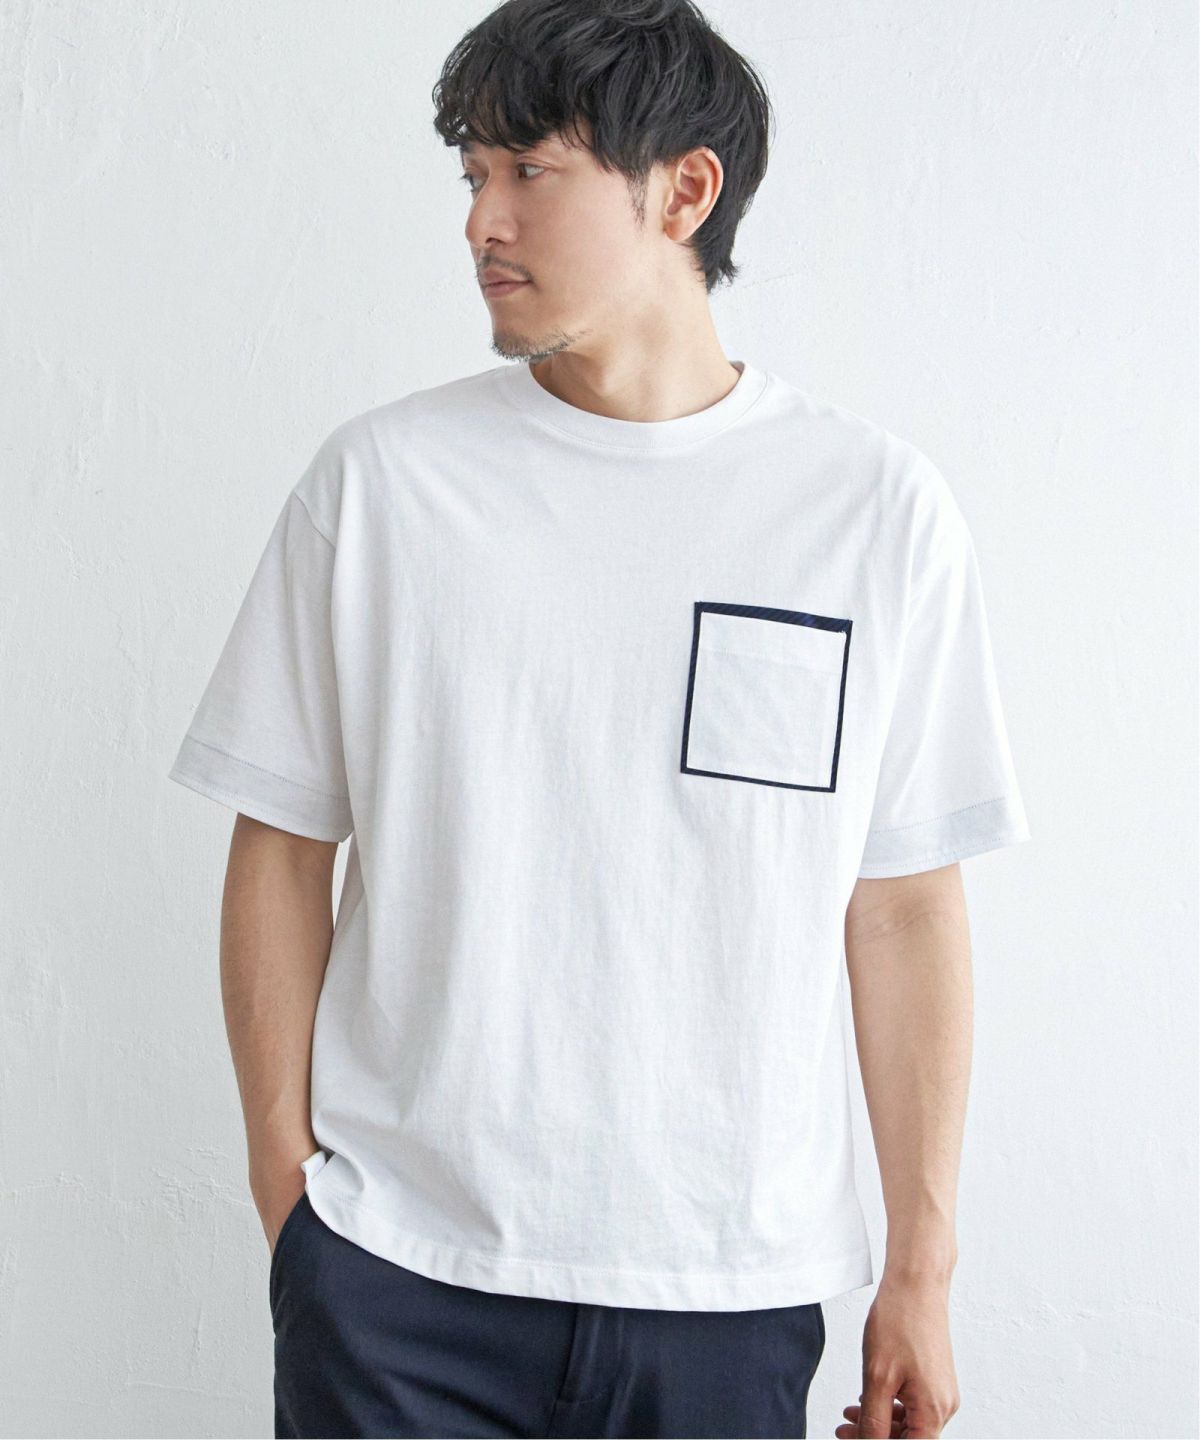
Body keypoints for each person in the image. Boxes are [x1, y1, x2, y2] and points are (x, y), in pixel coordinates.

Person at [167, 2, 1030, 1436]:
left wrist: (922, 1270)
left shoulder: (872, 513)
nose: (481, 221)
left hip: (730, 1284)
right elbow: (282, 843)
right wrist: (290, 1199)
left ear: (684, 191)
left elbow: (903, 908)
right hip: (397, 1273)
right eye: (471, 175)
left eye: (530, 172)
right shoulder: (383, 486)